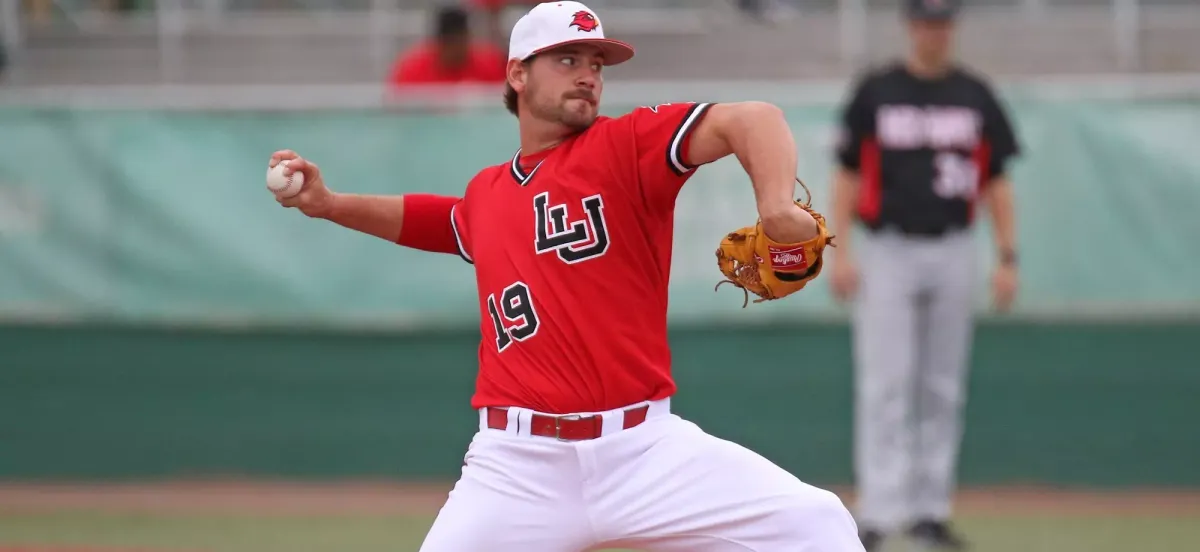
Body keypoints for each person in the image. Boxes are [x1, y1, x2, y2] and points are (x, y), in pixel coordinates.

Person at [271, 2, 864, 550]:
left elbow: (753, 119)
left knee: (818, 525)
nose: (588, 74)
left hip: (643, 449)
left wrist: (777, 207)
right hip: (517, 463)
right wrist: (330, 203)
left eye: (596, 63)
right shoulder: (488, 194)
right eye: (567, 59)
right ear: (518, 75)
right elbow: (434, 219)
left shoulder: (626, 146)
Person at [828, 0, 1021, 550]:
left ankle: (929, 509)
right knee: (885, 382)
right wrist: (839, 252)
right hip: (888, 246)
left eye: (941, 21)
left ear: (951, 27)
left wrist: (1007, 256)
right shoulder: (878, 91)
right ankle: (882, 510)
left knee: (942, 384)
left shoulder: (975, 95)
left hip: (954, 245)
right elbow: (845, 173)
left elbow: (997, 180)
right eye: (924, 20)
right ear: (909, 25)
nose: (932, 31)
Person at [386, 5, 506, 87]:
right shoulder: (411, 70)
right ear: (440, 42)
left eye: (463, 41)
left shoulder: (490, 63)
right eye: (453, 42)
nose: (459, 48)